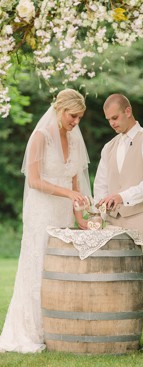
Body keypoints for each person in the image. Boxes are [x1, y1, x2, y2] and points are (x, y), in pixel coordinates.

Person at [0, 89, 91, 353]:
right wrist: (68, 193)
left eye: (80, 118)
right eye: (73, 116)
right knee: (37, 267)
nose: (76, 122)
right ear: (61, 110)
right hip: (42, 212)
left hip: (63, 212)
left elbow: (74, 179)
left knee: (59, 269)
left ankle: (57, 328)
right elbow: (35, 181)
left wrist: (79, 216)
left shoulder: (74, 139)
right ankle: (31, 330)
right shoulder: (40, 137)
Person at [94, 94, 143, 352]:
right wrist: (99, 209)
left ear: (128, 111)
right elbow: (101, 184)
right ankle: (122, 332)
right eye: (108, 120)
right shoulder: (108, 147)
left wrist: (122, 196)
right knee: (118, 279)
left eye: (114, 117)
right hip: (114, 223)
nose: (111, 123)